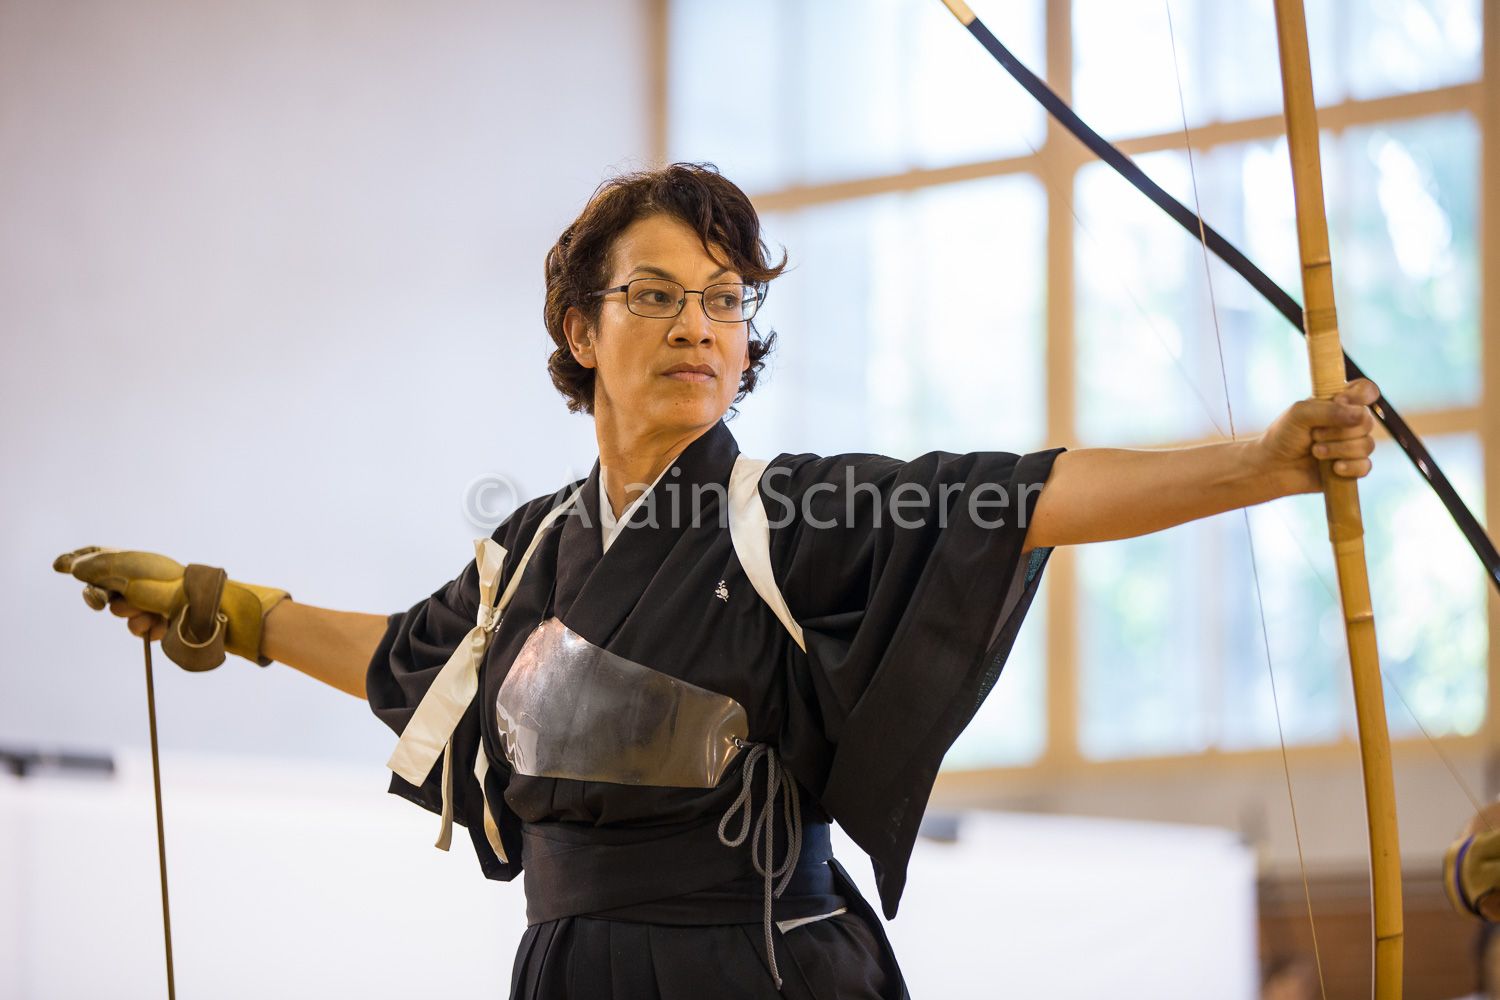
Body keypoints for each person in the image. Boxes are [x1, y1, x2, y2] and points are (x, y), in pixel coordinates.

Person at [54, 163, 1380, 999]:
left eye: (727, 299)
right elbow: (412, 661)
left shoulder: (785, 514)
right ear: (580, 328)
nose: (698, 324)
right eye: (655, 295)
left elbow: (1025, 496)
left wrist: (1260, 462)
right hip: (569, 965)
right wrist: (234, 613)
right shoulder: (530, 549)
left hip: (761, 966)